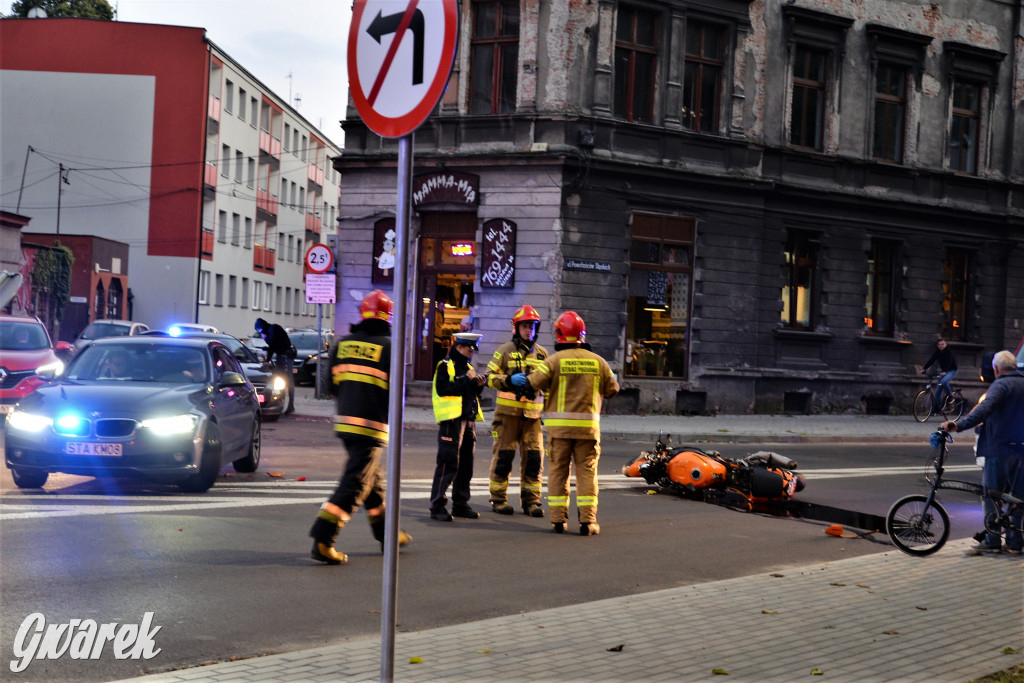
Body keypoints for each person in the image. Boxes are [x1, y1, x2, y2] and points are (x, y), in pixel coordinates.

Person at [308, 290, 411, 565]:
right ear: (388, 317)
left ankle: (387, 535)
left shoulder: (342, 344)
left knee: (372, 483)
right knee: (356, 485)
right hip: (372, 427)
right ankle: (324, 539)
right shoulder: (389, 348)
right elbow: (397, 394)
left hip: (346, 424)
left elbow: (331, 388)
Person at [525, 311, 618, 535]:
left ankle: (558, 521)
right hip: (588, 430)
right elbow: (612, 389)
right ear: (582, 335)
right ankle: (587, 522)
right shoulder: (599, 362)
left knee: (558, 472)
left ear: (559, 334)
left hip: (559, 430)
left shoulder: (552, 361)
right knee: (587, 473)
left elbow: (532, 384)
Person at [941, 350, 1024, 555]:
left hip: (999, 450)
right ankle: (1015, 541)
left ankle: (992, 540)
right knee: (1018, 497)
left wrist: (956, 425)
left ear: (996, 369)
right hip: (1021, 451)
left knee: (991, 496)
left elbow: (982, 411)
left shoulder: (1000, 385)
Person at [485, 305, 548, 516]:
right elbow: (489, 378)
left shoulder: (542, 354)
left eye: (531, 326)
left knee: (534, 461)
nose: (528, 330)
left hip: (533, 418)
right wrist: (509, 380)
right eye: (524, 326)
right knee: (503, 459)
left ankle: (532, 502)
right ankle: (498, 499)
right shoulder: (504, 351)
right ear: (517, 328)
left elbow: (548, 384)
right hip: (507, 417)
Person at [429, 331, 486, 522]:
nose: (471, 353)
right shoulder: (445, 365)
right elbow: (443, 389)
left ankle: (460, 504)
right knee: (448, 464)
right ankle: (437, 506)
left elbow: (468, 391)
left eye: (473, 350)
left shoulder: (467, 366)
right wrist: (466, 379)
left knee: (465, 466)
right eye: (469, 349)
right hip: (451, 421)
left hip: (468, 420)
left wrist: (478, 384)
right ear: (459, 347)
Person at [255, 317, 295, 414]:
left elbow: (272, 344)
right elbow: (272, 346)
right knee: (278, 380)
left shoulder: (273, 328)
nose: (261, 333)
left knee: (288, 380)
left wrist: (268, 359)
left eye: (260, 330)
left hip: (285, 356)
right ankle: (278, 402)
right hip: (280, 356)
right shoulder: (270, 330)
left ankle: (290, 405)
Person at [924, 338, 957, 413]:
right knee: (938, 390)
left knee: (944, 381)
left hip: (952, 370)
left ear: (945, 344)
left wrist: (945, 371)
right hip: (944, 371)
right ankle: (936, 408)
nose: (941, 346)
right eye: (939, 345)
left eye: (942, 344)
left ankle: (950, 397)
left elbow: (949, 362)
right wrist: (924, 368)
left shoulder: (949, 351)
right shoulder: (938, 352)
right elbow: (932, 360)